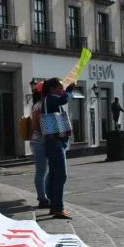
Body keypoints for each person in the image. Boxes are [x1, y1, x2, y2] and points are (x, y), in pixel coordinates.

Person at [42, 77, 74, 219]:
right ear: (52, 89)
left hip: (54, 142)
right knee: (61, 176)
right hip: (55, 142)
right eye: (60, 88)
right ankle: (58, 208)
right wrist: (70, 90)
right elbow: (64, 99)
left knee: (54, 175)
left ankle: (54, 206)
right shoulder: (51, 99)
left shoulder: (49, 100)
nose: (62, 90)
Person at [30, 82, 50, 208]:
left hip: (37, 141)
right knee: (41, 171)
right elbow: (36, 125)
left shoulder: (37, 105)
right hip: (40, 141)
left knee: (43, 171)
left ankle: (44, 196)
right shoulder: (40, 106)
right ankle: (42, 198)